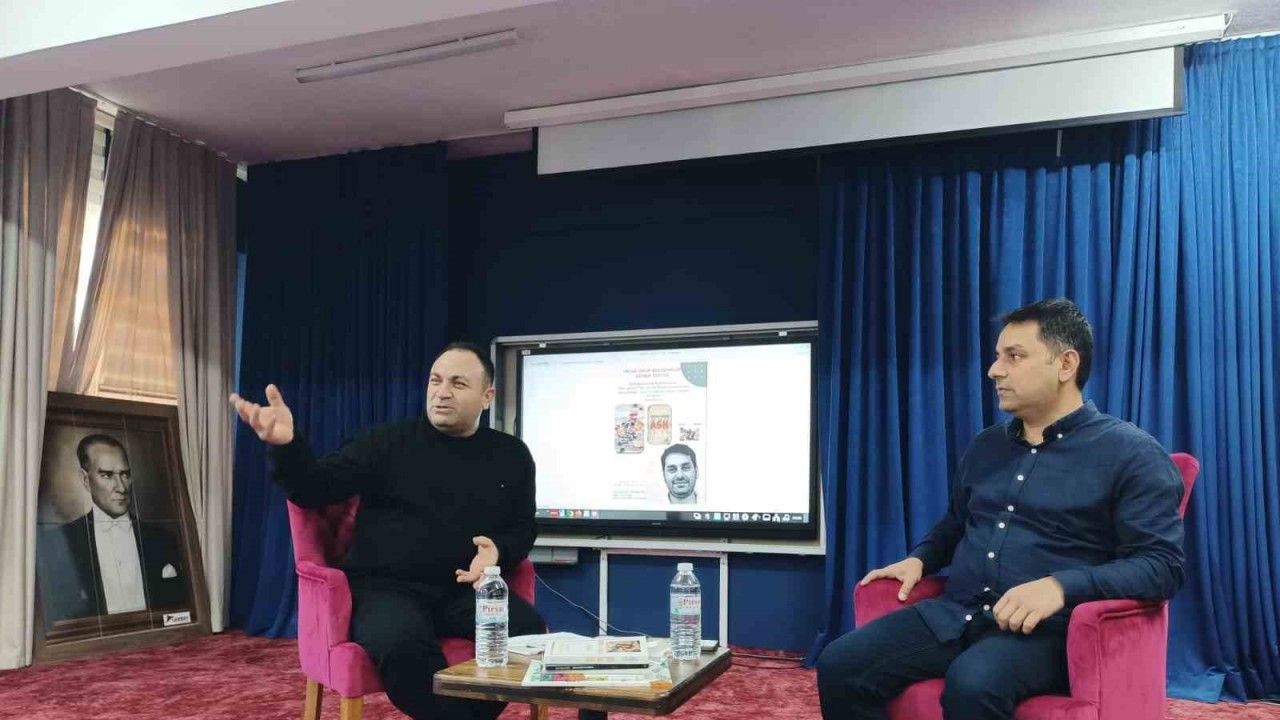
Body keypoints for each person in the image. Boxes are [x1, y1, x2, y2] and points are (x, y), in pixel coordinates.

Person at [816, 298, 1186, 720]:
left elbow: (1163, 567)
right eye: (997, 356)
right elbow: (956, 523)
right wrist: (921, 558)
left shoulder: (1132, 454)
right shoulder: (987, 445)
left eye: (1014, 356)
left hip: (1047, 631)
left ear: (1066, 365)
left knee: (972, 684)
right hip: (958, 613)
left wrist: (1059, 587)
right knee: (840, 663)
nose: (995, 370)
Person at [230, 342, 545, 720]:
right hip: (386, 589)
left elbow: (523, 527)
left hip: (463, 590)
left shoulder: (512, 455)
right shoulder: (385, 442)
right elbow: (312, 488)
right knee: (403, 648)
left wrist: (497, 551)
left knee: (528, 631)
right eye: (435, 380)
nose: (442, 392)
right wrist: (286, 445)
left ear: (487, 396)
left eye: (458, 383)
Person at [37, 434, 187, 625]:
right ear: (85, 479)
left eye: (125, 474)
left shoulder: (164, 539)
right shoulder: (59, 543)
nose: (121, 487)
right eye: (107, 475)